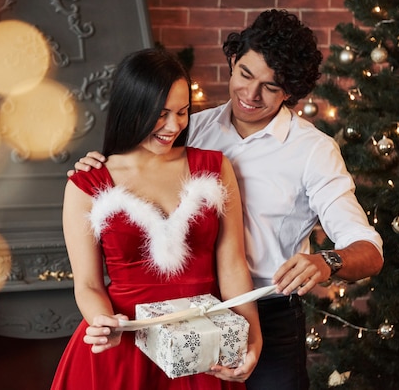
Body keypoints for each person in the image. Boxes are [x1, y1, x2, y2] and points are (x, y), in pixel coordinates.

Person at [69, 10, 384, 390]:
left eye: (271, 86)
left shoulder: (313, 151)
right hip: (189, 316)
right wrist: (96, 164)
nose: (251, 95)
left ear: (291, 91)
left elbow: (368, 249)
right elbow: (137, 155)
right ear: (233, 62)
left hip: (267, 309)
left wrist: (326, 261)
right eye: (246, 75)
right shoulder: (191, 128)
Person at [50, 48, 262, 390]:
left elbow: (233, 265)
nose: (174, 126)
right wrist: (103, 322)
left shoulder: (214, 167)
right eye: (160, 114)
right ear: (131, 108)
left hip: (203, 344)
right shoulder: (86, 185)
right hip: (125, 347)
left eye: (182, 112)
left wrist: (252, 337)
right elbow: (88, 284)